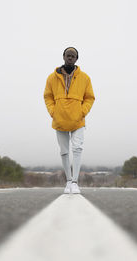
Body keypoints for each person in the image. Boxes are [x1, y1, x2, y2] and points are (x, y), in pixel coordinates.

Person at [44, 47, 95, 194]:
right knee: (64, 152)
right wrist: (53, 112)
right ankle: (67, 182)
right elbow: (48, 96)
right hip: (59, 119)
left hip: (78, 120)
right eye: (68, 55)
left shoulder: (85, 78)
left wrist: (82, 112)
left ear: (77, 59)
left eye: (73, 56)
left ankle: (75, 182)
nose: (70, 58)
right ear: (63, 57)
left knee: (77, 149)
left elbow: (89, 98)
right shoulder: (52, 77)